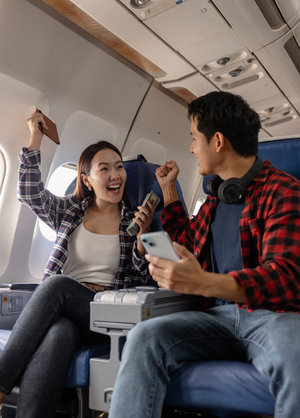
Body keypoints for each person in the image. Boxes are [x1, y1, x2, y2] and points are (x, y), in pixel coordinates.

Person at [108, 91, 300, 418]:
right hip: (217, 318)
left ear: (218, 141)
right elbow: (185, 238)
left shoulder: (284, 191)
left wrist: (204, 282)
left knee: (296, 355)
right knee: (144, 337)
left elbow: (285, 276)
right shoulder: (215, 199)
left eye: (195, 138)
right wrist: (169, 189)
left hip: (273, 317)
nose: (191, 148)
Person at [0, 109, 155, 417]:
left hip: (104, 315)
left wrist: (143, 237)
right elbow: (30, 194)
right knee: (59, 333)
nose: (116, 175)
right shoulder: (70, 211)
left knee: (57, 285)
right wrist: (35, 136)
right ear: (87, 178)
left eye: (119, 167)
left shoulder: (132, 221)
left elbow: (143, 281)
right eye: (105, 169)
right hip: (64, 312)